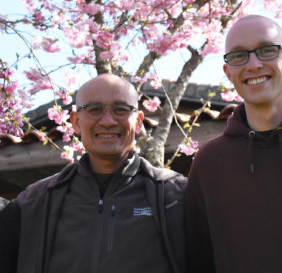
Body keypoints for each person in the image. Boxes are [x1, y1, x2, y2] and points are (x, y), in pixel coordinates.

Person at [0, 73, 187, 273]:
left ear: (139, 122)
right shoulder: (32, 204)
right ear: (76, 122)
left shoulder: (176, 197)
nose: (107, 121)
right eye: (94, 109)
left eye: (121, 109)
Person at [185, 14, 282, 273]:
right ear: (228, 72)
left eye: (267, 51)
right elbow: (198, 259)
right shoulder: (209, 163)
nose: (254, 64)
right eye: (239, 56)